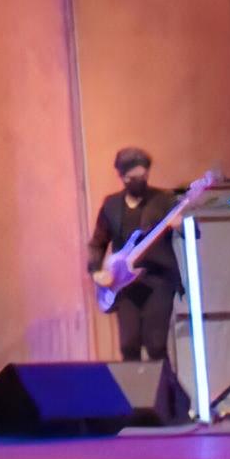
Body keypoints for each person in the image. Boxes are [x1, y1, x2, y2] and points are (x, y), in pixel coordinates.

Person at [87, 147, 184, 368]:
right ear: (122, 177)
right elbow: (98, 241)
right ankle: (134, 398)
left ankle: (164, 399)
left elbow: (191, 232)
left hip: (158, 281)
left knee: (156, 345)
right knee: (128, 345)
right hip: (125, 284)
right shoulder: (111, 205)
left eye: (144, 176)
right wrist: (96, 271)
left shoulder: (164, 200)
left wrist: (181, 226)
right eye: (133, 177)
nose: (139, 181)